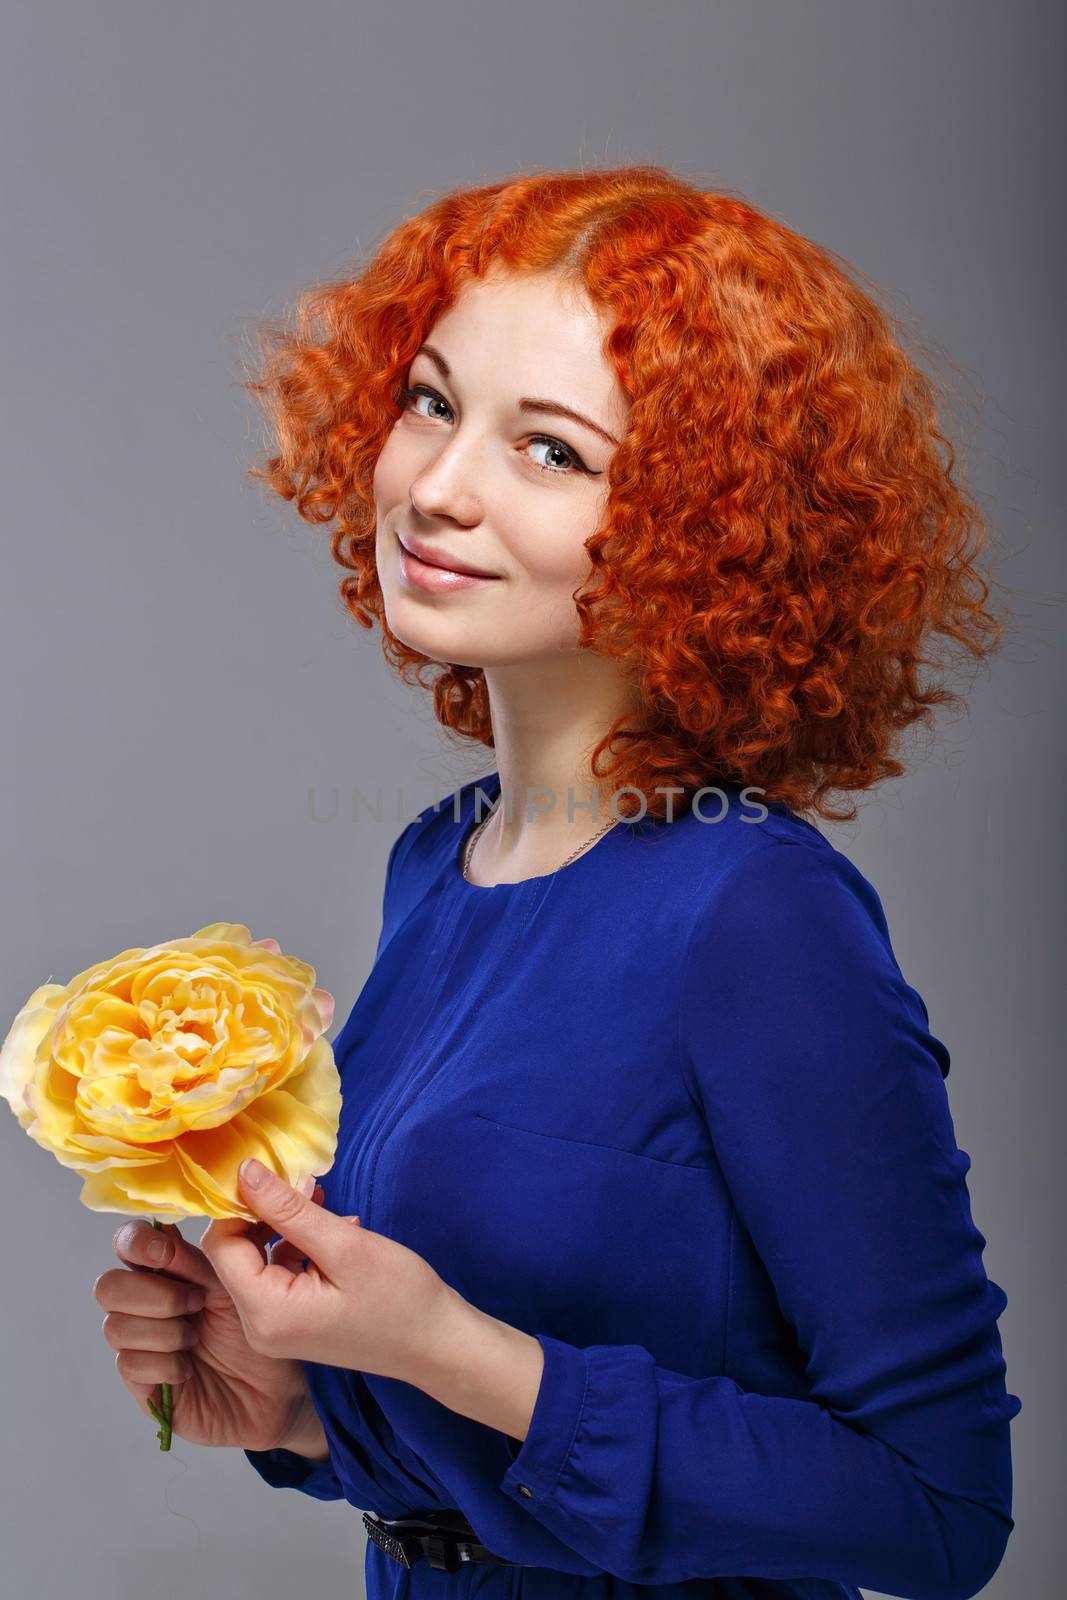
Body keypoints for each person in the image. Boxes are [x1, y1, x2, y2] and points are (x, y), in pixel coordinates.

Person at [97, 165, 1022, 1599]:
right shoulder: (433, 866)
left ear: (702, 533)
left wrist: (444, 1350)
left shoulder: (753, 913)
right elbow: (502, 1458)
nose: (441, 487)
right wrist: (296, 1414)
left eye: (551, 453)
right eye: (431, 402)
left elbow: (940, 1508)